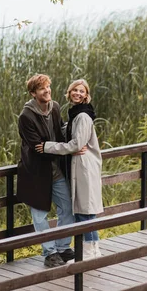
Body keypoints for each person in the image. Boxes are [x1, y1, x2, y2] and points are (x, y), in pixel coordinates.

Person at [35, 79, 103, 260]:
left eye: (82, 91)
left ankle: (90, 252)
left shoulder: (82, 116)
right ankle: (94, 249)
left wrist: (48, 146)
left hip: (83, 167)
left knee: (84, 211)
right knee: (85, 210)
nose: (77, 93)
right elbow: (70, 134)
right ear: (69, 92)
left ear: (86, 95)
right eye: (75, 90)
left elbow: (75, 144)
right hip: (81, 166)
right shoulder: (76, 114)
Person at [17, 73, 76, 268]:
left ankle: (62, 247)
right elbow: (37, 147)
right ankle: (49, 253)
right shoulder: (26, 116)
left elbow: (59, 132)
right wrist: (61, 149)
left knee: (67, 208)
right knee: (39, 215)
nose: (47, 91)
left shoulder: (56, 107)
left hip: (55, 171)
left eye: (48, 87)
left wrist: (78, 140)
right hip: (36, 173)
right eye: (42, 88)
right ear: (33, 93)